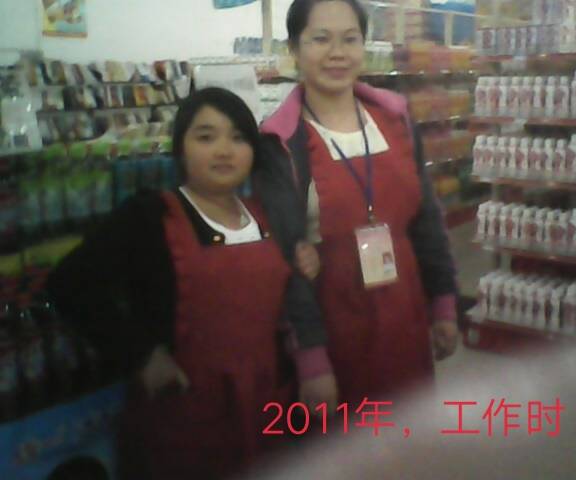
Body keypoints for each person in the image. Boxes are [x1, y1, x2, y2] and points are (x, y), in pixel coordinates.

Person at [46, 87, 332, 479]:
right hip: (183, 422)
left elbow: (287, 298)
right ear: (181, 148)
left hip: (264, 406)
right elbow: (70, 283)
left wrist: (306, 262)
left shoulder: (265, 216)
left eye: (238, 138)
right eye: (206, 137)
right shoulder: (150, 217)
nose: (224, 150)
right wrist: (141, 354)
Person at [260, 0, 459, 406]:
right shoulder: (281, 142)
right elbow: (285, 258)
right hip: (335, 334)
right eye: (321, 39)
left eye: (350, 39)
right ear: (294, 48)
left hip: (405, 315)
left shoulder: (395, 119)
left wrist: (443, 301)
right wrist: (311, 359)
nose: (337, 53)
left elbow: (426, 220)